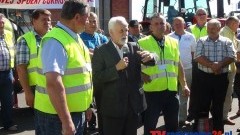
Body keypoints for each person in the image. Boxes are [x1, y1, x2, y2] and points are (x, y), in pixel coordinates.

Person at [34, 0, 93, 135]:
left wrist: (86, 105)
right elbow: (54, 83)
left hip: (71, 113)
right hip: (57, 117)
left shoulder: (73, 37)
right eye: (87, 17)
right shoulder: (55, 40)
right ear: (77, 17)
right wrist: (66, 121)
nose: (88, 21)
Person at [92, 16, 155, 135]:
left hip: (133, 107)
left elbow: (151, 60)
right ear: (111, 32)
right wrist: (116, 68)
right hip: (112, 109)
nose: (125, 34)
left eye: (126, 30)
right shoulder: (101, 51)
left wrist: (152, 56)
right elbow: (97, 77)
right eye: (121, 31)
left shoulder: (133, 46)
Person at [138, 13, 190, 134]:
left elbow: (178, 64)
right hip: (152, 92)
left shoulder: (173, 42)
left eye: (162, 23)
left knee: (172, 126)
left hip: (171, 91)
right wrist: (141, 74)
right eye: (156, 23)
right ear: (150, 27)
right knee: (150, 126)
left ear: (166, 25)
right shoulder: (141, 43)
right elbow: (134, 65)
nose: (160, 26)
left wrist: (184, 85)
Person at [194, 19, 236, 133]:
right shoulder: (201, 41)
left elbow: (232, 56)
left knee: (218, 105)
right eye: (208, 28)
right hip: (204, 77)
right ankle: (202, 130)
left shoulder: (227, 41)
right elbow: (197, 56)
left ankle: (218, 130)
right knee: (203, 105)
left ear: (219, 28)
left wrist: (220, 65)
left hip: (221, 78)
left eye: (213, 28)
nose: (210, 30)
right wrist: (212, 66)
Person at [16, 9, 52, 108]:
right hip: (37, 89)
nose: (47, 22)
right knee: (41, 121)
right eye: (43, 19)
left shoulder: (56, 38)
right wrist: (27, 93)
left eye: (49, 20)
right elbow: (21, 68)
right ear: (34, 22)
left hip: (56, 84)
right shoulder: (25, 40)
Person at [80, 11, 108, 134]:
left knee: (102, 104)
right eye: (90, 21)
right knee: (87, 104)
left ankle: (102, 127)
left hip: (102, 77)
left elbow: (109, 54)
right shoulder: (79, 38)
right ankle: (89, 124)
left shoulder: (102, 38)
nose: (92, 23)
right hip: (86, 78)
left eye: (94, 21)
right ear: (85, 23)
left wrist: (95, 54)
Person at [169, 16, 196, 125]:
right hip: (172, 71)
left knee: (184, 96)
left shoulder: (191, 37)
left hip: (188, 70)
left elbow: (193, 54)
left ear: (184, 24)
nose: (178, 25)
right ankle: (171, 118)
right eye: (176, 24)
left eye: (180, 23)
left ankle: (182, 119)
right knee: (172, 96)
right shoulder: (168, 37)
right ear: (172, 25)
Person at [186, 8, 208, 124]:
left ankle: (205, 114)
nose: (201, 16)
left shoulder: (211, 27)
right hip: (195, 62)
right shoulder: (190, 29)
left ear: (207, 15)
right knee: (194, 89)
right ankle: (192, 114)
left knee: (207, 89)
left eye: (203, 14)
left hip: (208, 61)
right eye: (199, 14)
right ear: (195, 16)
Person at [220, 16, 239, 125]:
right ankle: (223, 117)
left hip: (228, 68)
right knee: (226, 93)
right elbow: (232, 53)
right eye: (237, 24)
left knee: (226, 93)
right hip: (227, 68)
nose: (238, 27)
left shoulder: (229, 33)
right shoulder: (225, 33)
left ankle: (222, 115)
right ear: (232, 23)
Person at [0, 13, 17, 131]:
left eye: (2, 22)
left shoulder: (7, 36)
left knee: (7, 101)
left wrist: (12, 72)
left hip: (7, 73)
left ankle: (8, 123)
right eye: (0, 22)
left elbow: (12, 52)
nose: (2, 24)